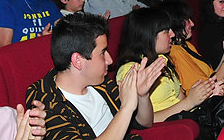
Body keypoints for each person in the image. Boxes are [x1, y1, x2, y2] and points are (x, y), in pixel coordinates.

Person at [26, 13, 166, 140]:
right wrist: (126, 108)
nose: (110, 60)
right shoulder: (45, 100)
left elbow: (144, 123)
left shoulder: (101, 83)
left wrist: (142, 96)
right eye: (103, 52)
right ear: (78, 60)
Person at [116, 8, 216, 123]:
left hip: (188, 120)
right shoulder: (131, 71)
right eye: (166, 31)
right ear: (149, 35)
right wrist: (189, 102)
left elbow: (182, 102)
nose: (172, 34)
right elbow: (141, 123)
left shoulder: (162, 60)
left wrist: (199, 94)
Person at [162, 1, 224, 94]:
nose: (192, 24)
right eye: (187, 20)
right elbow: (211, 89)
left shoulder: (186, 45)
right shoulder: (175, 52)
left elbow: (212, 76)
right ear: (176, 23)